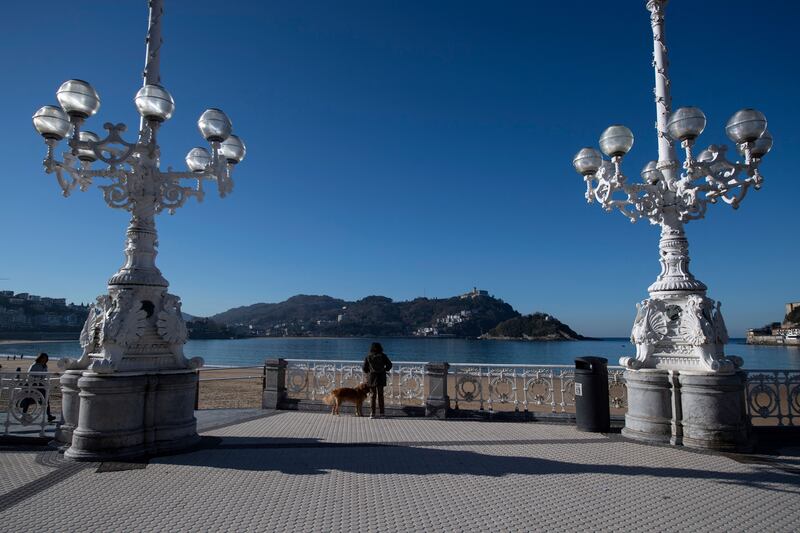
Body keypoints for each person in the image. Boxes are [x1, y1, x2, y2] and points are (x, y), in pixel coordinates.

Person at [21, 352, 55, 423]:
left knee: (46, 399)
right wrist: (35, 380)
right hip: (32, 385)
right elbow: (29, 375)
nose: (44, 360)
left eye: (45, 358)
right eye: (43, 358)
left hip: (40, 385)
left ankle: (49, 415)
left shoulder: (45, 366)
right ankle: (24, 413)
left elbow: (44, 376)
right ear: (40, 358)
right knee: (29, 398)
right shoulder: (34, 365)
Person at [362, 342, 392, 419]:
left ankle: (372, 413)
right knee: (380, 395)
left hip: (372, 377)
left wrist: (368, 372)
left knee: (372, 395)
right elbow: (389, 364)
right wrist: (385, 369)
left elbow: (364, 368)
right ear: (380, 348)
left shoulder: (368, 356)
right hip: (381, 377)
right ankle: (382, 413)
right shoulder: (383, 356)